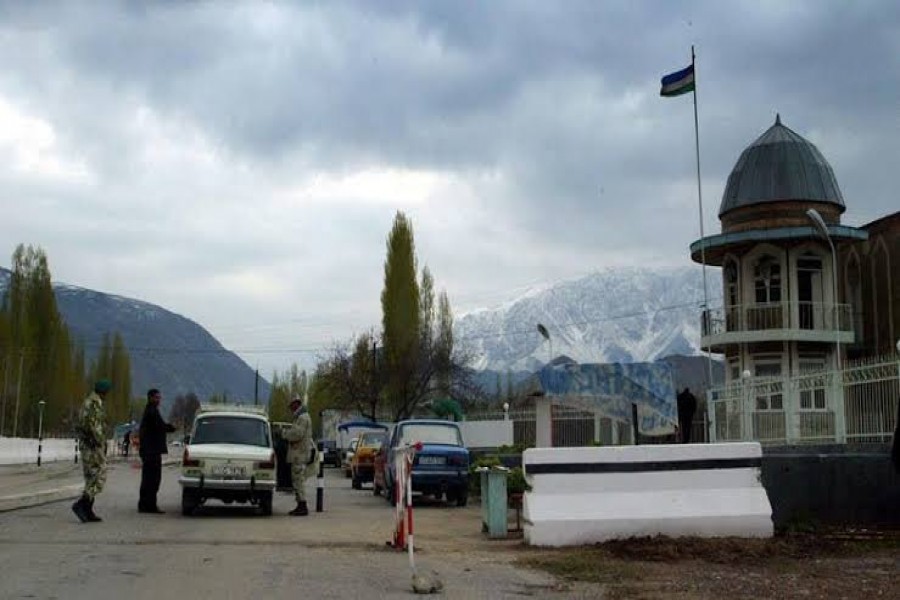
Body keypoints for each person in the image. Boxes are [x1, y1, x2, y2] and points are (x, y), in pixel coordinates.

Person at [72, 379, 111, 523]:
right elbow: (93, 426)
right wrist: (100, 442)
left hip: (89, 445)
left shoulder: (90, 402)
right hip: (92, 446)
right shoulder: (93, 404)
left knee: (91, 477)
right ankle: (82, 504)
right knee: (100, 476)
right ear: (103, 391)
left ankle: (87, 510)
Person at [138, 388, 176, 513]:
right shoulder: (151, 411)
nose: (159, 400)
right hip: (151, 451)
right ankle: (149, 505)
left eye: (159, 398)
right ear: (150, 398)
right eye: (157, 398)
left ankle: (145, 504)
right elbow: (159, 426)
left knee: (148, 478)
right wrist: (170, 427)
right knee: (153, 479)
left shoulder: (151, 410)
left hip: (149, 450)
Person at [283, 396, 317, 516]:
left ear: (296, 404)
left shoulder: (302, 418)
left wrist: (285, 434)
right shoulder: (302, 417)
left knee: (298, 480)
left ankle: (302, 505)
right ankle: (300, 504)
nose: (290, 408)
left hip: (299, 454)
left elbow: (297, 434)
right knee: (297, 480)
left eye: (291, 406)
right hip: (300, 453)